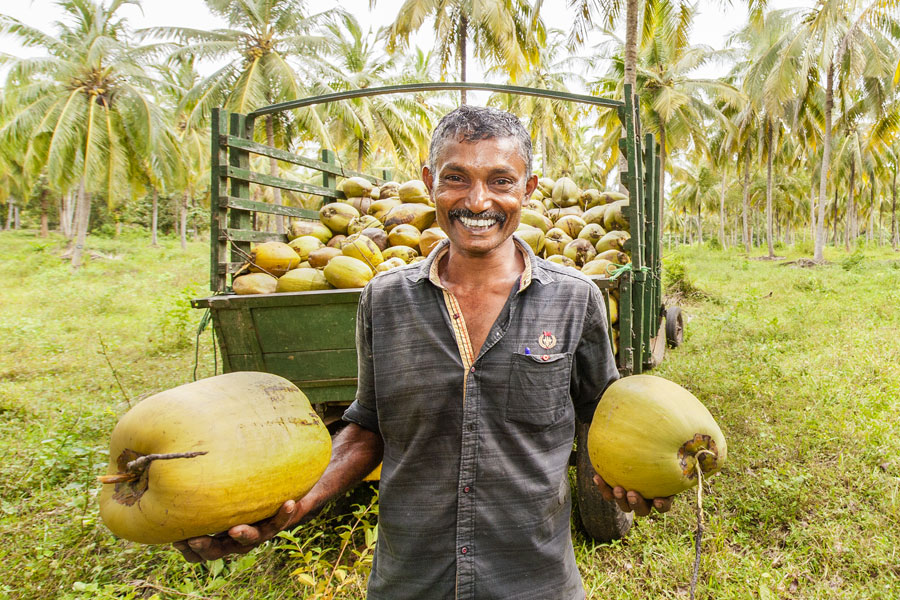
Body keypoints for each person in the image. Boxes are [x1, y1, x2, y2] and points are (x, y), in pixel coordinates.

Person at [175, 105, 674, 599]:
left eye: (501, 181)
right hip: (410, 579)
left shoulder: (574, 298)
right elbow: (368, 424)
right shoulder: (384, 298)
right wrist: (294, 503)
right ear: (430, 181)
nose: (478, 202)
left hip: (534, 580)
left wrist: (636, 472)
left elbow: (602, 415)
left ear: (528, 189)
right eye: (457, 178)